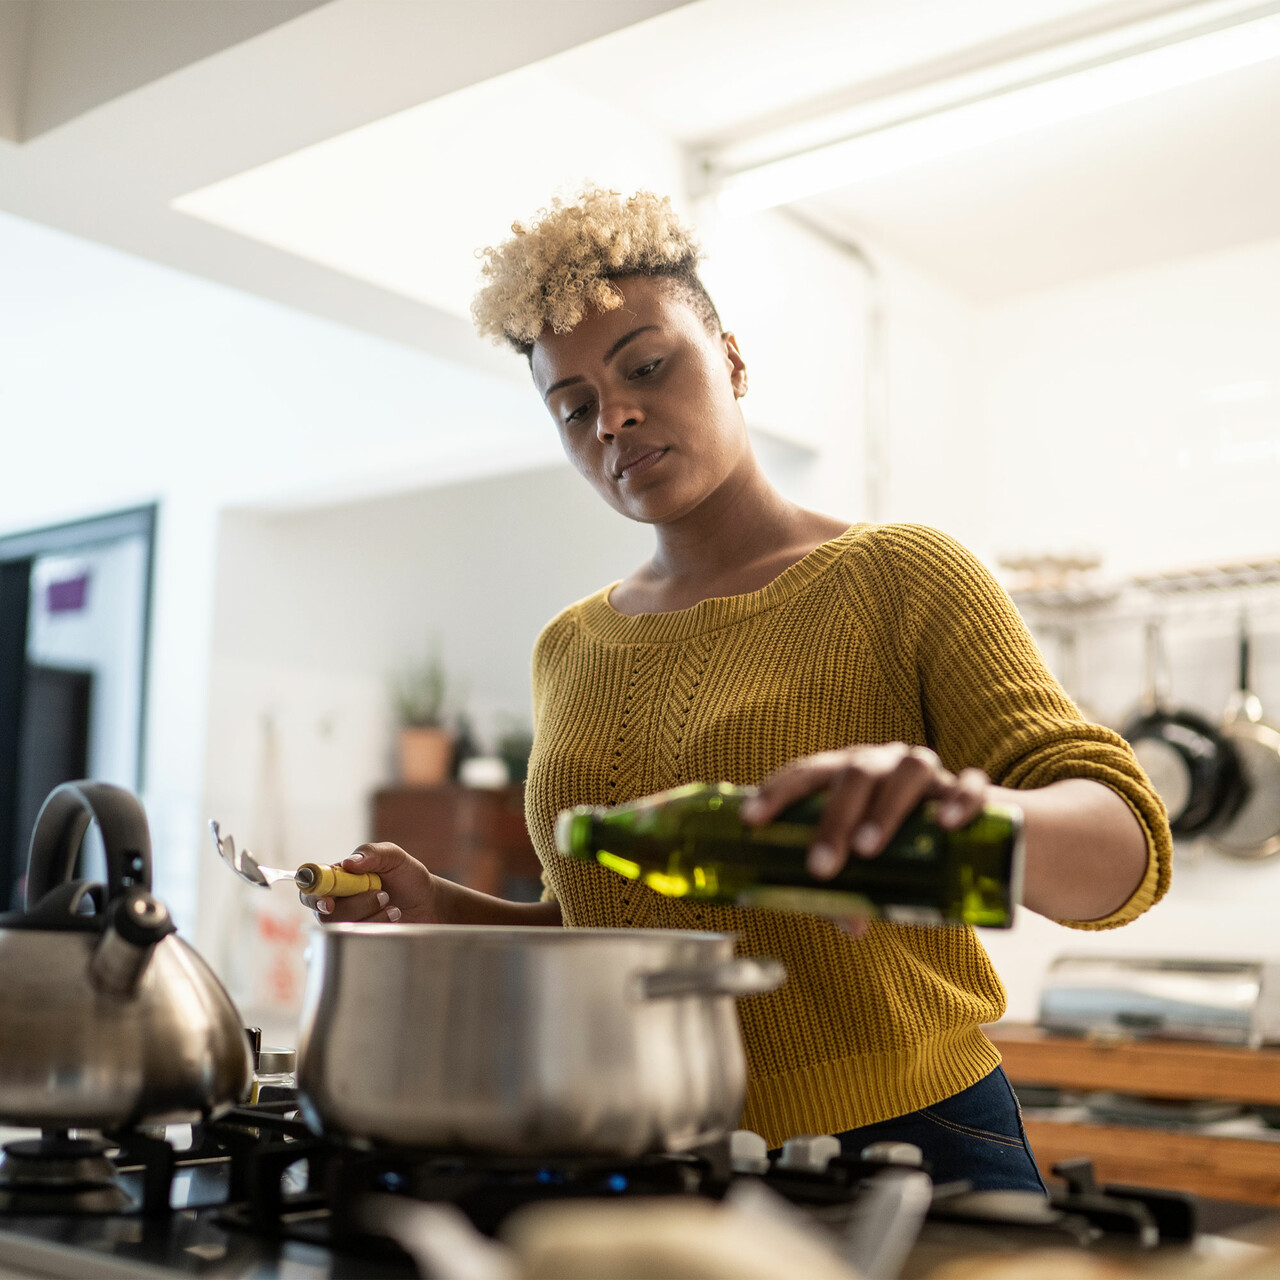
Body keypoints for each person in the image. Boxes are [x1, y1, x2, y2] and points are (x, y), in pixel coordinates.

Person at [304, 189, 1170, 1192]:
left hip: (905, 1145)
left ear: (732, 359)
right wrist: (446, 911)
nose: (613, 417)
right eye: (574, 407)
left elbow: (1126, 846)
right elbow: (608, 927)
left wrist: (967, 816)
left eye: (645, 365)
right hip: (640, 1143)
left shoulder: (901, 575)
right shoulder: (567, 647)